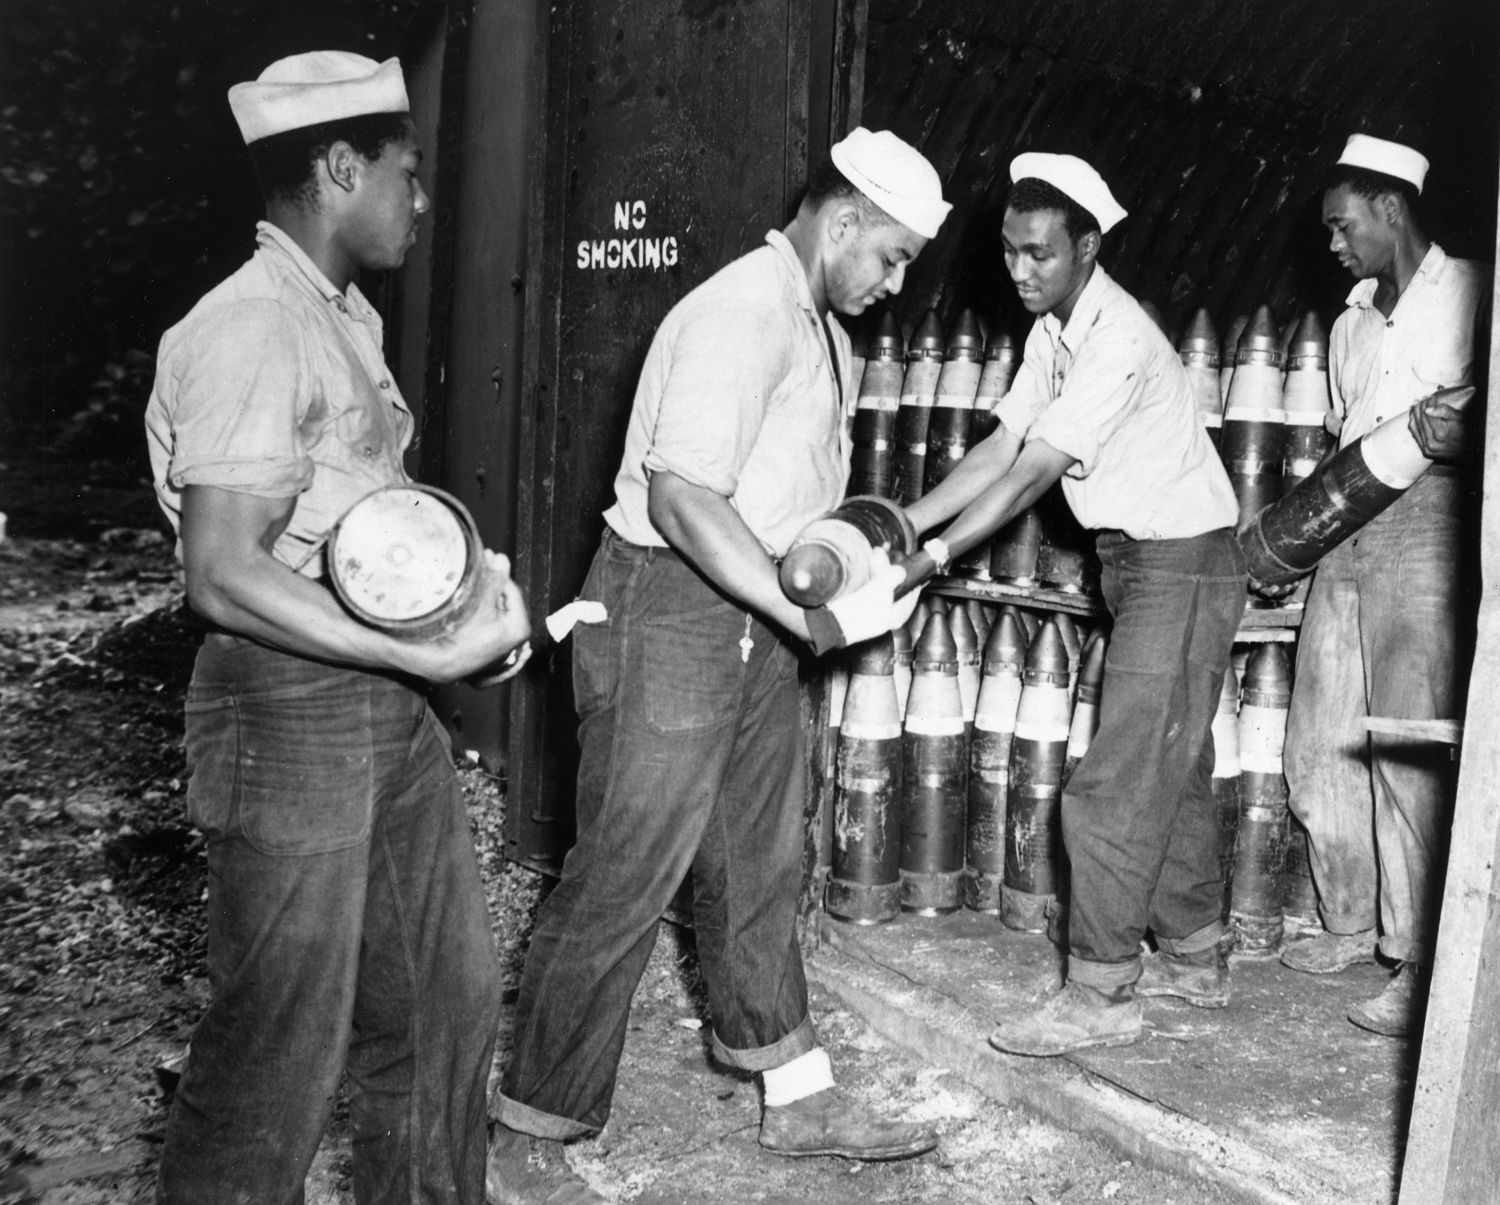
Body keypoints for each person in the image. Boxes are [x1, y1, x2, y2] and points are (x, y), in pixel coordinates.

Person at [486, 128, 946, 1205]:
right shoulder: (743, 310)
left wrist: (846, 572)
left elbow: (777, 499)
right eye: (891, 257)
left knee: (756, 855)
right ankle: (529, 1132)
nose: (894, 283)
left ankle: (794, 1089)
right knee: (627, 869)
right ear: (842, 223)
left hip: (745, 609)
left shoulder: (815, 323)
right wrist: (806, 615)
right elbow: (687, 497)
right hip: (670, 607)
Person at [144, 51, 531, 1204]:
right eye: (407, 174)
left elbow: (357, 531)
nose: (419, 200)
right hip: (284, 707)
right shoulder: (252, 327)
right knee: (277, 1055)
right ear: (340, 166)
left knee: (442, 997)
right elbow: (222, 571)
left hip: (373, 704)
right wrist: (422, 651)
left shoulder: (337, 321)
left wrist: (464, 606)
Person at [903, 153, 1246, 1057]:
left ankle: (1101, 993)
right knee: (1166, 763)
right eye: (1012, 252)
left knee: (1112, 783)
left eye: (1040, 255)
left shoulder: (1117, 339)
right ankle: (1198, 953)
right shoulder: (1053, 333)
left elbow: (1033, 475)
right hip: (1135, 562)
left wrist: (935, 555)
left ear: (1089, 247)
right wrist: (904, 521)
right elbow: (1000, 445)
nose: (1020, 271)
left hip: (1184, 562)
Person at [1278, 134, 1489, 1037]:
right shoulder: (1351, 322)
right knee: (1320, 733)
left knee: (1406, 736)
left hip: (1431, 521)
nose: (1333, 244)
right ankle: (1351, 920)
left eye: (1343, 224)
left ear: (1391, 210)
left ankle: (1418, 958)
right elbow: (1343, 431)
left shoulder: (1473, 290)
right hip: (1348, 512)